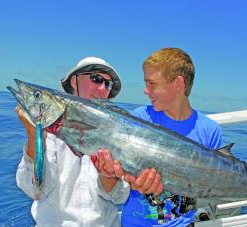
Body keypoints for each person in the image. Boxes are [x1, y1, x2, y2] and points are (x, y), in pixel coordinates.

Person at [15, 57, 162, 226]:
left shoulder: (120, 130)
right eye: (96, 79)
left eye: (108, 84)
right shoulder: (52, 129)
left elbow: (118, 196)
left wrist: (108, 176)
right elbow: (35, 189)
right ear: (74, 81)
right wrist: (34, 137)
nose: (103, 89)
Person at [121, 47, 222, 226]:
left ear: (178, 84)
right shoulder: (141, 119)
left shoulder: (210, 130)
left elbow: (214, 184)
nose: (146, 90)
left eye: (152, 83)